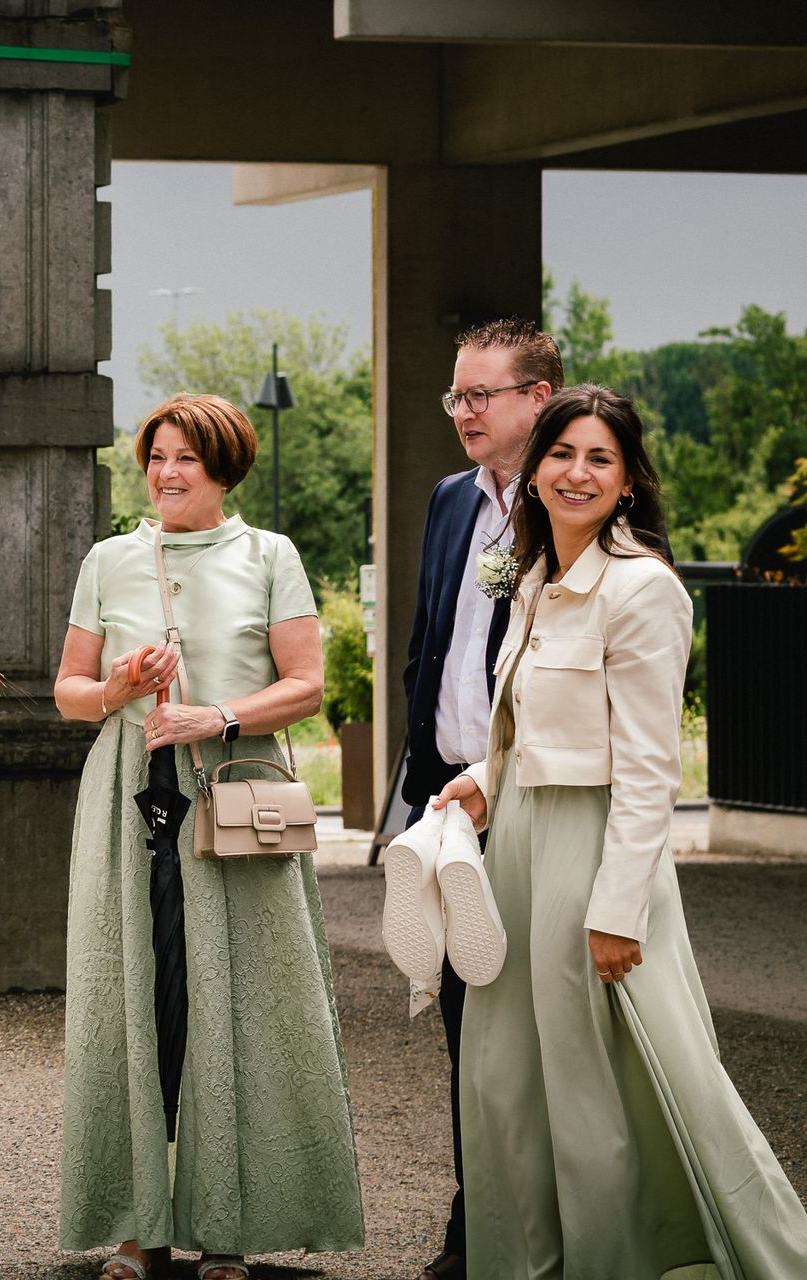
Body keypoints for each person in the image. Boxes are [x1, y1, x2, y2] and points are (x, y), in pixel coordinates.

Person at [433, 386, 807, 1277]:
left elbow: (647, 771)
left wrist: (617, 910)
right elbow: (531, 730)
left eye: (600, 458)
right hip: (518, 850)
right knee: (507, 1078)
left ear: (630, 481)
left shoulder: (643, 591)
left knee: (606, 1084)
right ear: (535, 474)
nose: (577, 473)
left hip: (593, 861)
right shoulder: (533, 578)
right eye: (562, 454)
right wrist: (484, 784)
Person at [54, 394, 363, 1280]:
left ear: (224, 466)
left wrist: (214, 714)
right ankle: (137, 1225)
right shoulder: (110, 559)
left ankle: (230, 1226)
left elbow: (305, 685)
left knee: (243, 1002)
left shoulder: (271, 555)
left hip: (237, 792)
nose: (165, 473)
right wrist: (116, 689)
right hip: (131, 794)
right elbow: (67, 689)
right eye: (156, 456)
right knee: (139, 997)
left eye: (186, 457)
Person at [392, 317, 559, 1280]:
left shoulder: (573, 500)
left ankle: (545, 1228)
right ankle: (475, 1226)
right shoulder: (452, 499)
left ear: (538, 397)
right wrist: (419, 793)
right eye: (456, 395)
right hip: (447, 807)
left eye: (480, 394)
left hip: (530, 807)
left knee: (539, 1029)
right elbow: (431, 647)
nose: (463, 412)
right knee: (464, 1027)